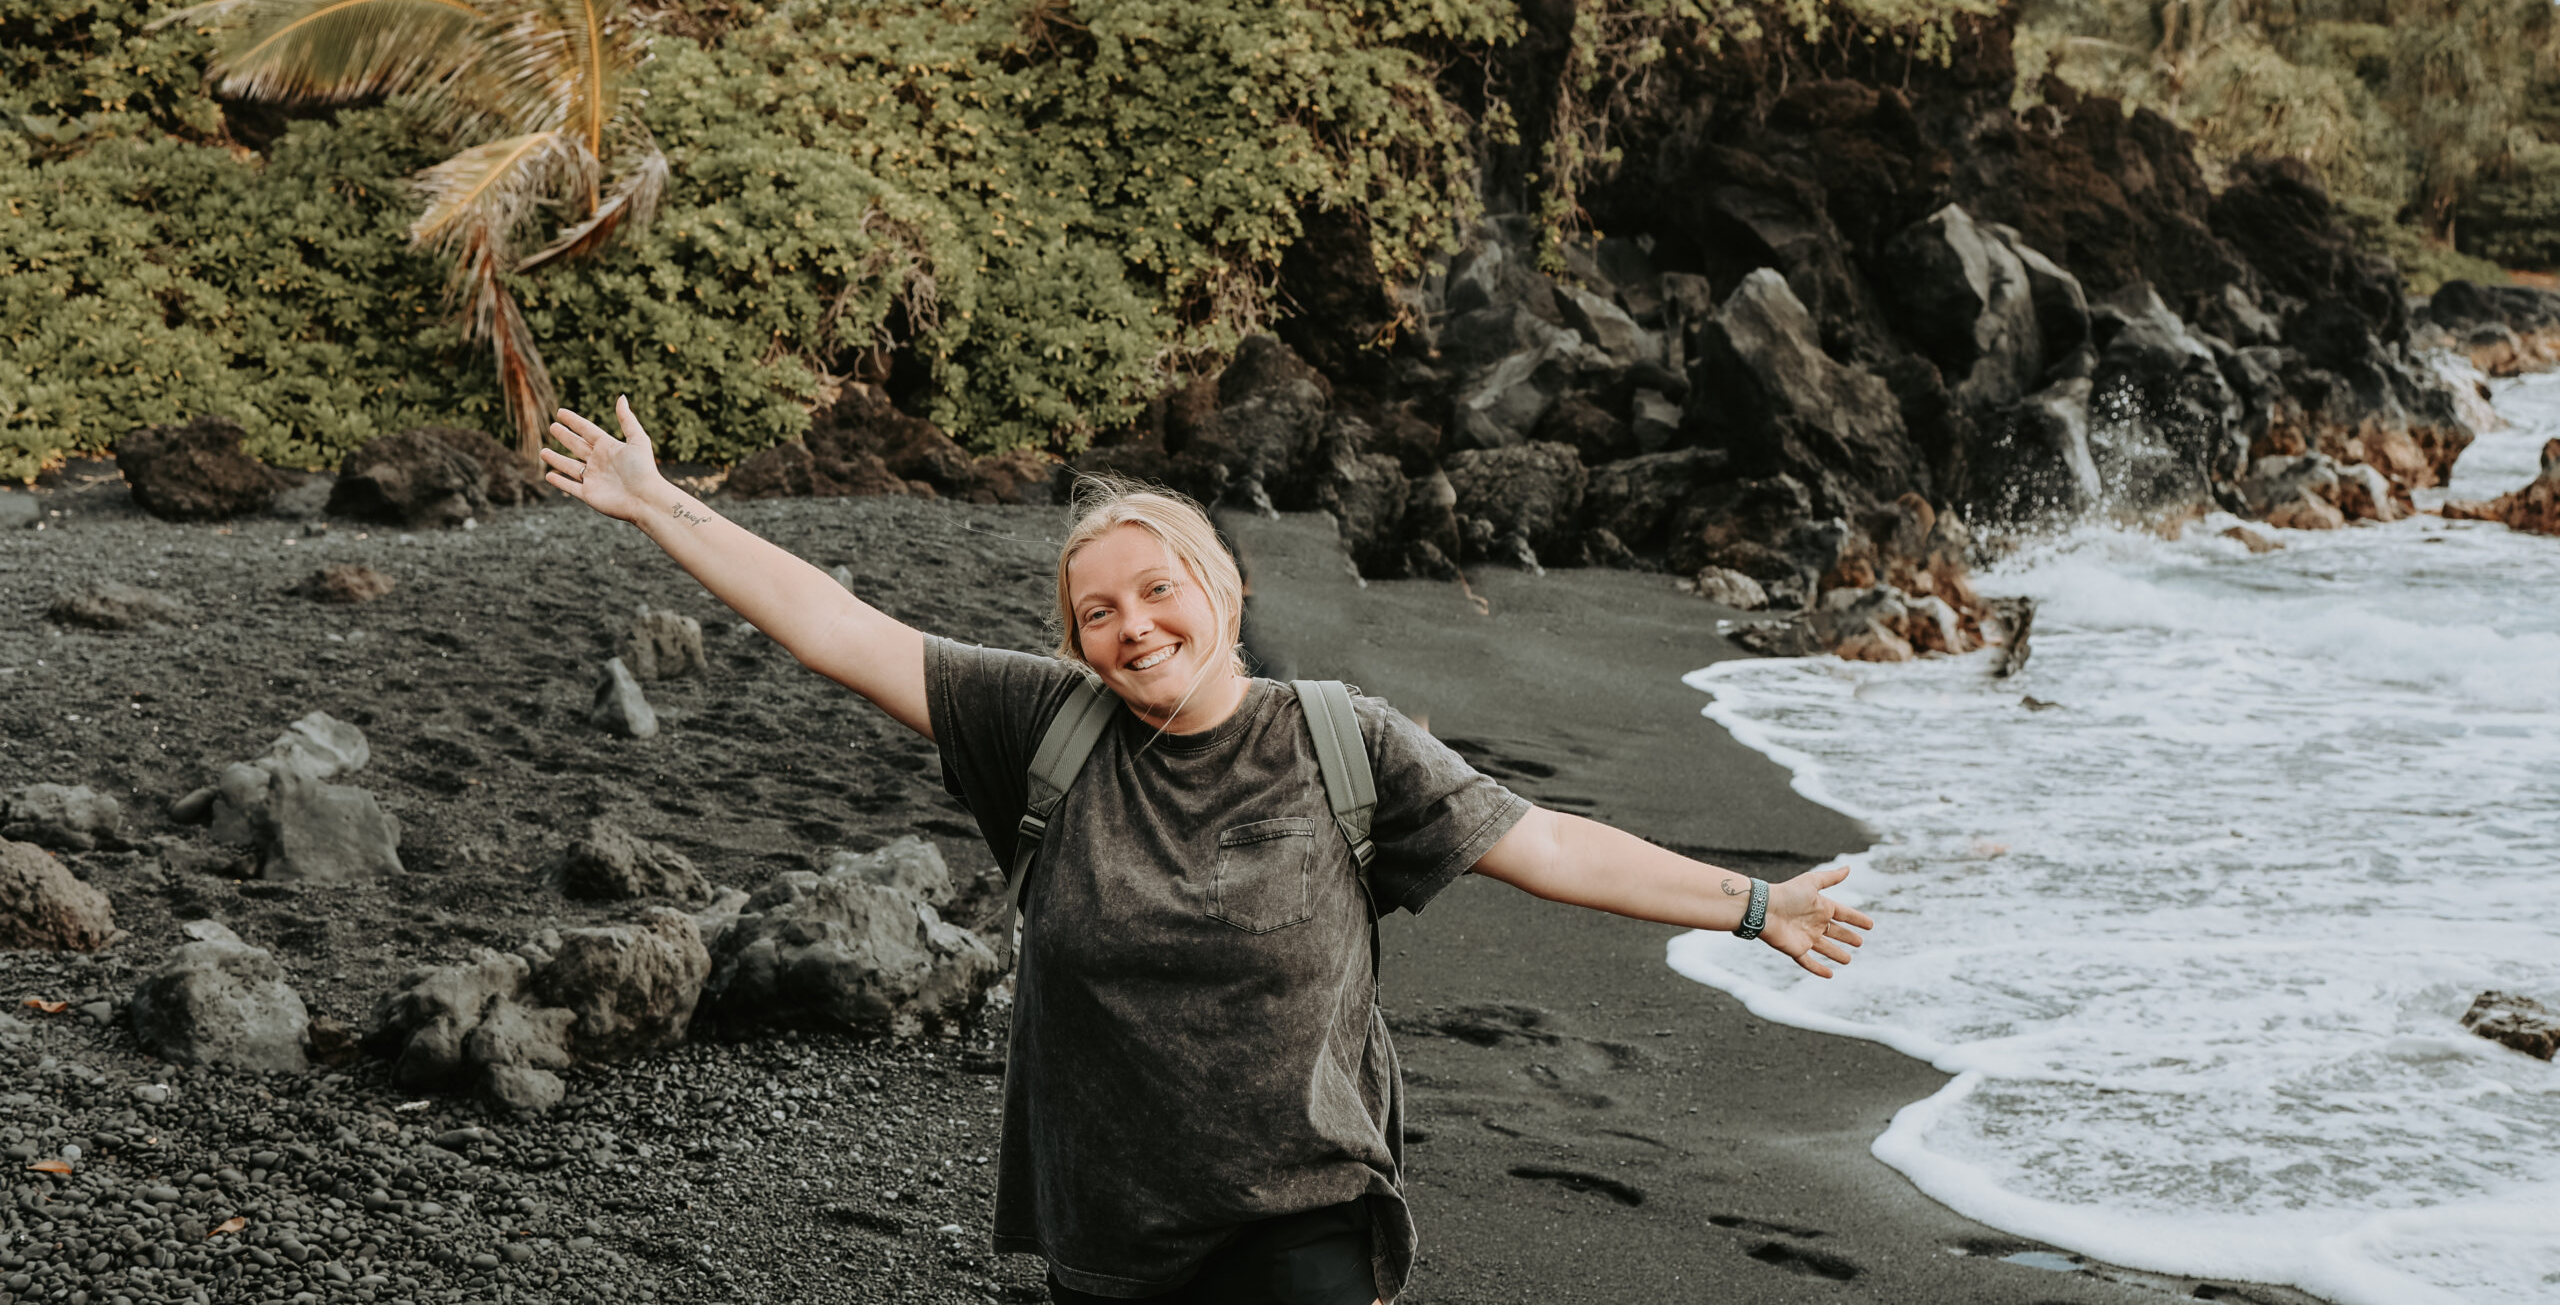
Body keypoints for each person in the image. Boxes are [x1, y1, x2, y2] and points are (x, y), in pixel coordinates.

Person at [542, 396, 1875, 1305]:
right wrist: (662, 507)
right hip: (1110, 1236)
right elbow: (836, 627)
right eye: (1098, 613)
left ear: (1222, 592)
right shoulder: (1039, 732)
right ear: (1074, 643)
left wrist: (1753, 905)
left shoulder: (1343, 743)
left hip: (1303, 1215)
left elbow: (1547, 846)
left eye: (1159, 590)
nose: (1134, 627)